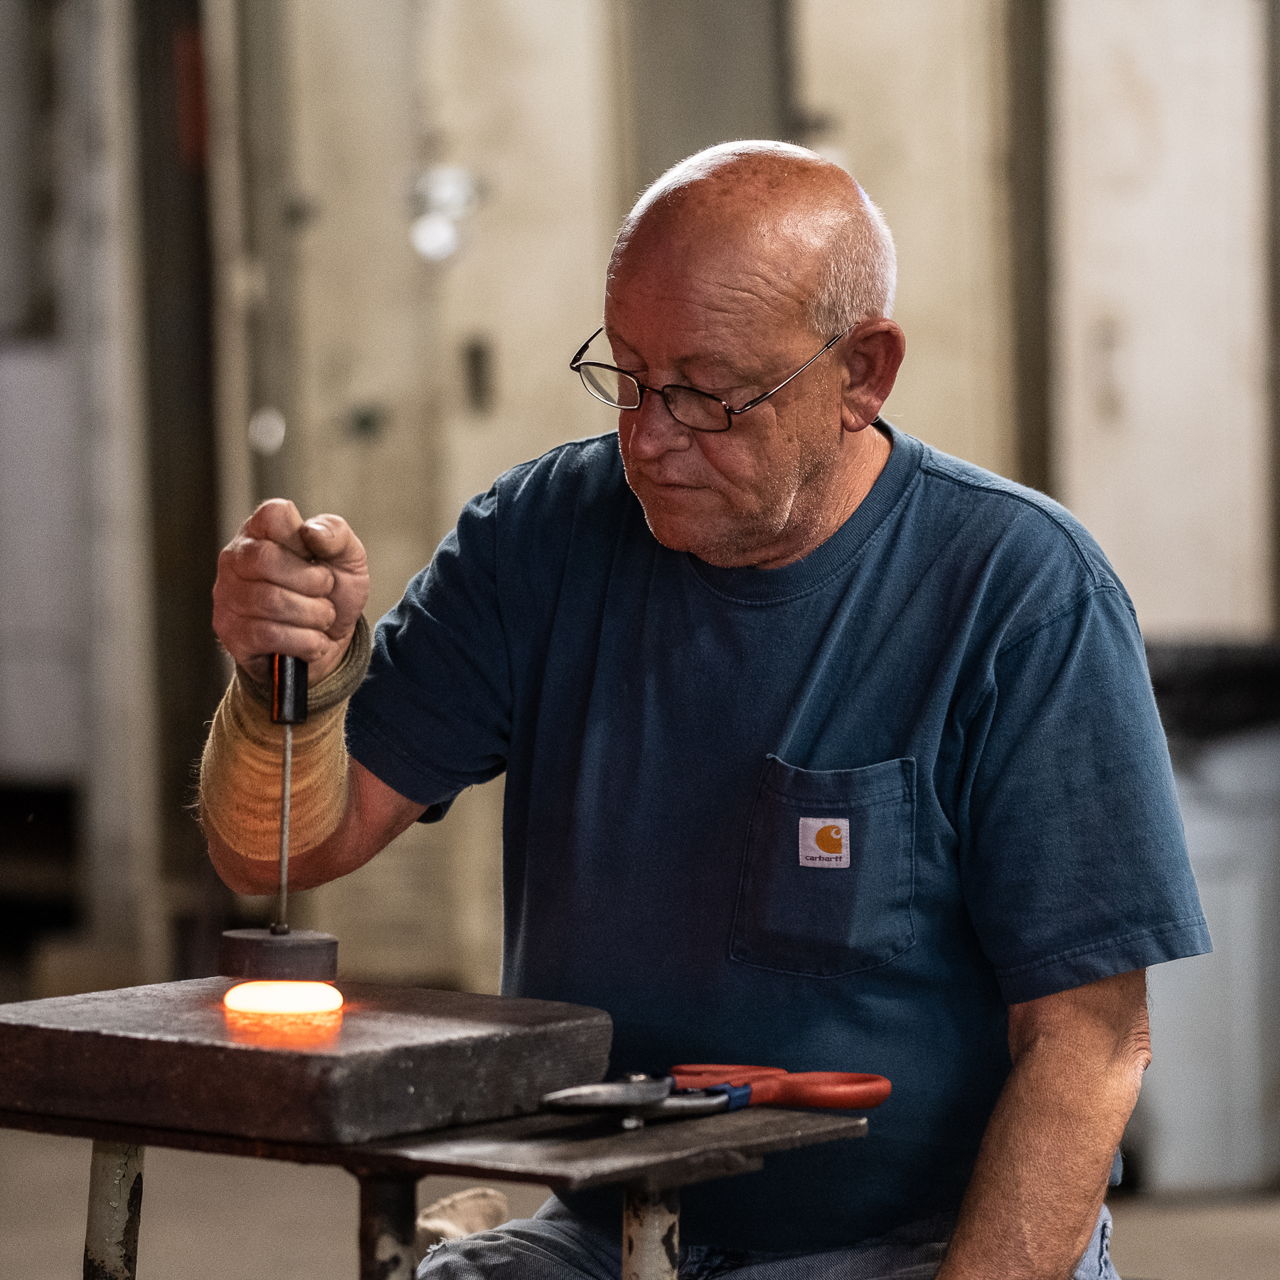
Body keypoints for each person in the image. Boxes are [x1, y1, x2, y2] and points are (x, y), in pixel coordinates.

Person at [200, 141, 1210, 1280]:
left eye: (705, 394)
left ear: (862, 373)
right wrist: (286, 676)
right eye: (626, 375)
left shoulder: (1016, 594)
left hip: (911, 1243)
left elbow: (1086, 1039)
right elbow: (279, 843)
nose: (646, 436)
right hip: (607, 1218)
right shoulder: (540, 538)